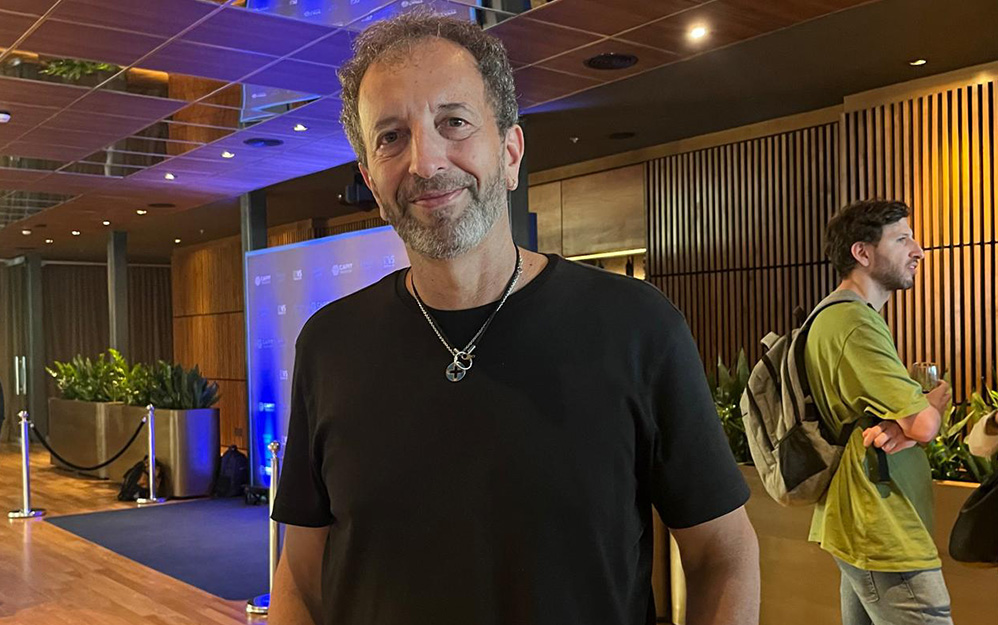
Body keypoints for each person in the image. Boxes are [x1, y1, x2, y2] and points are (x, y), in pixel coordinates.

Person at [268, 10, 759, 625]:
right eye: (391, 136)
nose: (425, 162)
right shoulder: (330, 344)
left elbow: (724, 554)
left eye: (454, 122)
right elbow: (302, 576)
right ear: (370, 178)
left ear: (509, 152)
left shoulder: (637, 328)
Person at [806, 200, 953, 625]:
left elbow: (901, 422)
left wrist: (901, 426)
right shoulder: (853, 322)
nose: (918, 251)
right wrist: (932, 404)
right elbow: (923, 423)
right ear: (862, 253)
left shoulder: (840, 315)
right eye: (902, 239)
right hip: (881, 521)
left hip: (867, 517)